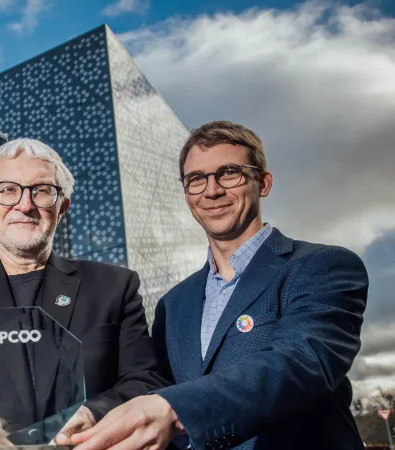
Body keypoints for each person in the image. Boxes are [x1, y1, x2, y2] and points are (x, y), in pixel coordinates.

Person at [72, 121, 368, 450]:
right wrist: (93, 414)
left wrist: (175, 408)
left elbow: (303, 362)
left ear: (263, 182)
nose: (212, 190)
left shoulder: (321, 266)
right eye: (196, 180)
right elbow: (153, 385)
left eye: (229, 173)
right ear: (187, 195)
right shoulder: (173, 304)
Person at [0, 139, 168, 447]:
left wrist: (94, 414)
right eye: (7, 190)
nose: (25, 204)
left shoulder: (115, 286)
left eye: (42, 191)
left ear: (62, 207)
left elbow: (146, 382)